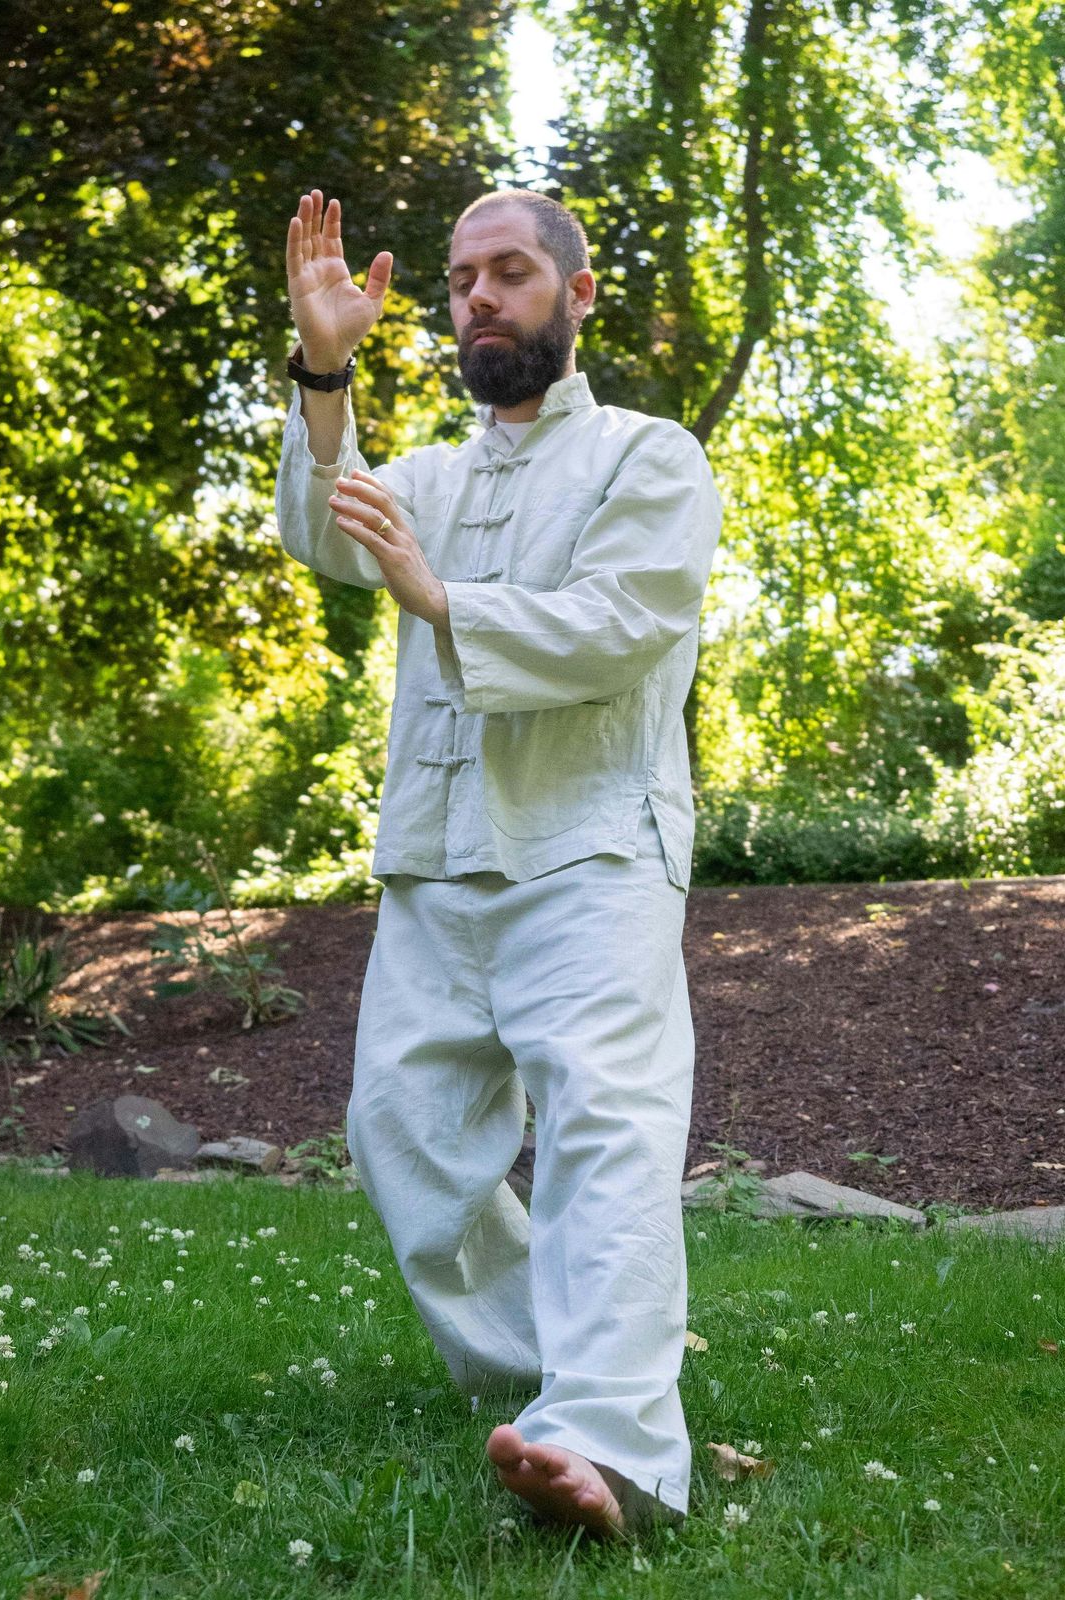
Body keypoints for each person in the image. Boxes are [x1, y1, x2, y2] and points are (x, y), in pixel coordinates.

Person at [275, 186, 722, 1539]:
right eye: (463, 280)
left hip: (590, 849)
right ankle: (557, 1374)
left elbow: (618, 624)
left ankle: (617, 1450)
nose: (480, 298)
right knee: (403, 1139)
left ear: (575, 296)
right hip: (439, 858)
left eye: (511, 273)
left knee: (603, 1130)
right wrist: (325, 369)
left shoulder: (651, 458)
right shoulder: (429, 477)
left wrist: (442, 600)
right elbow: (314, 531)